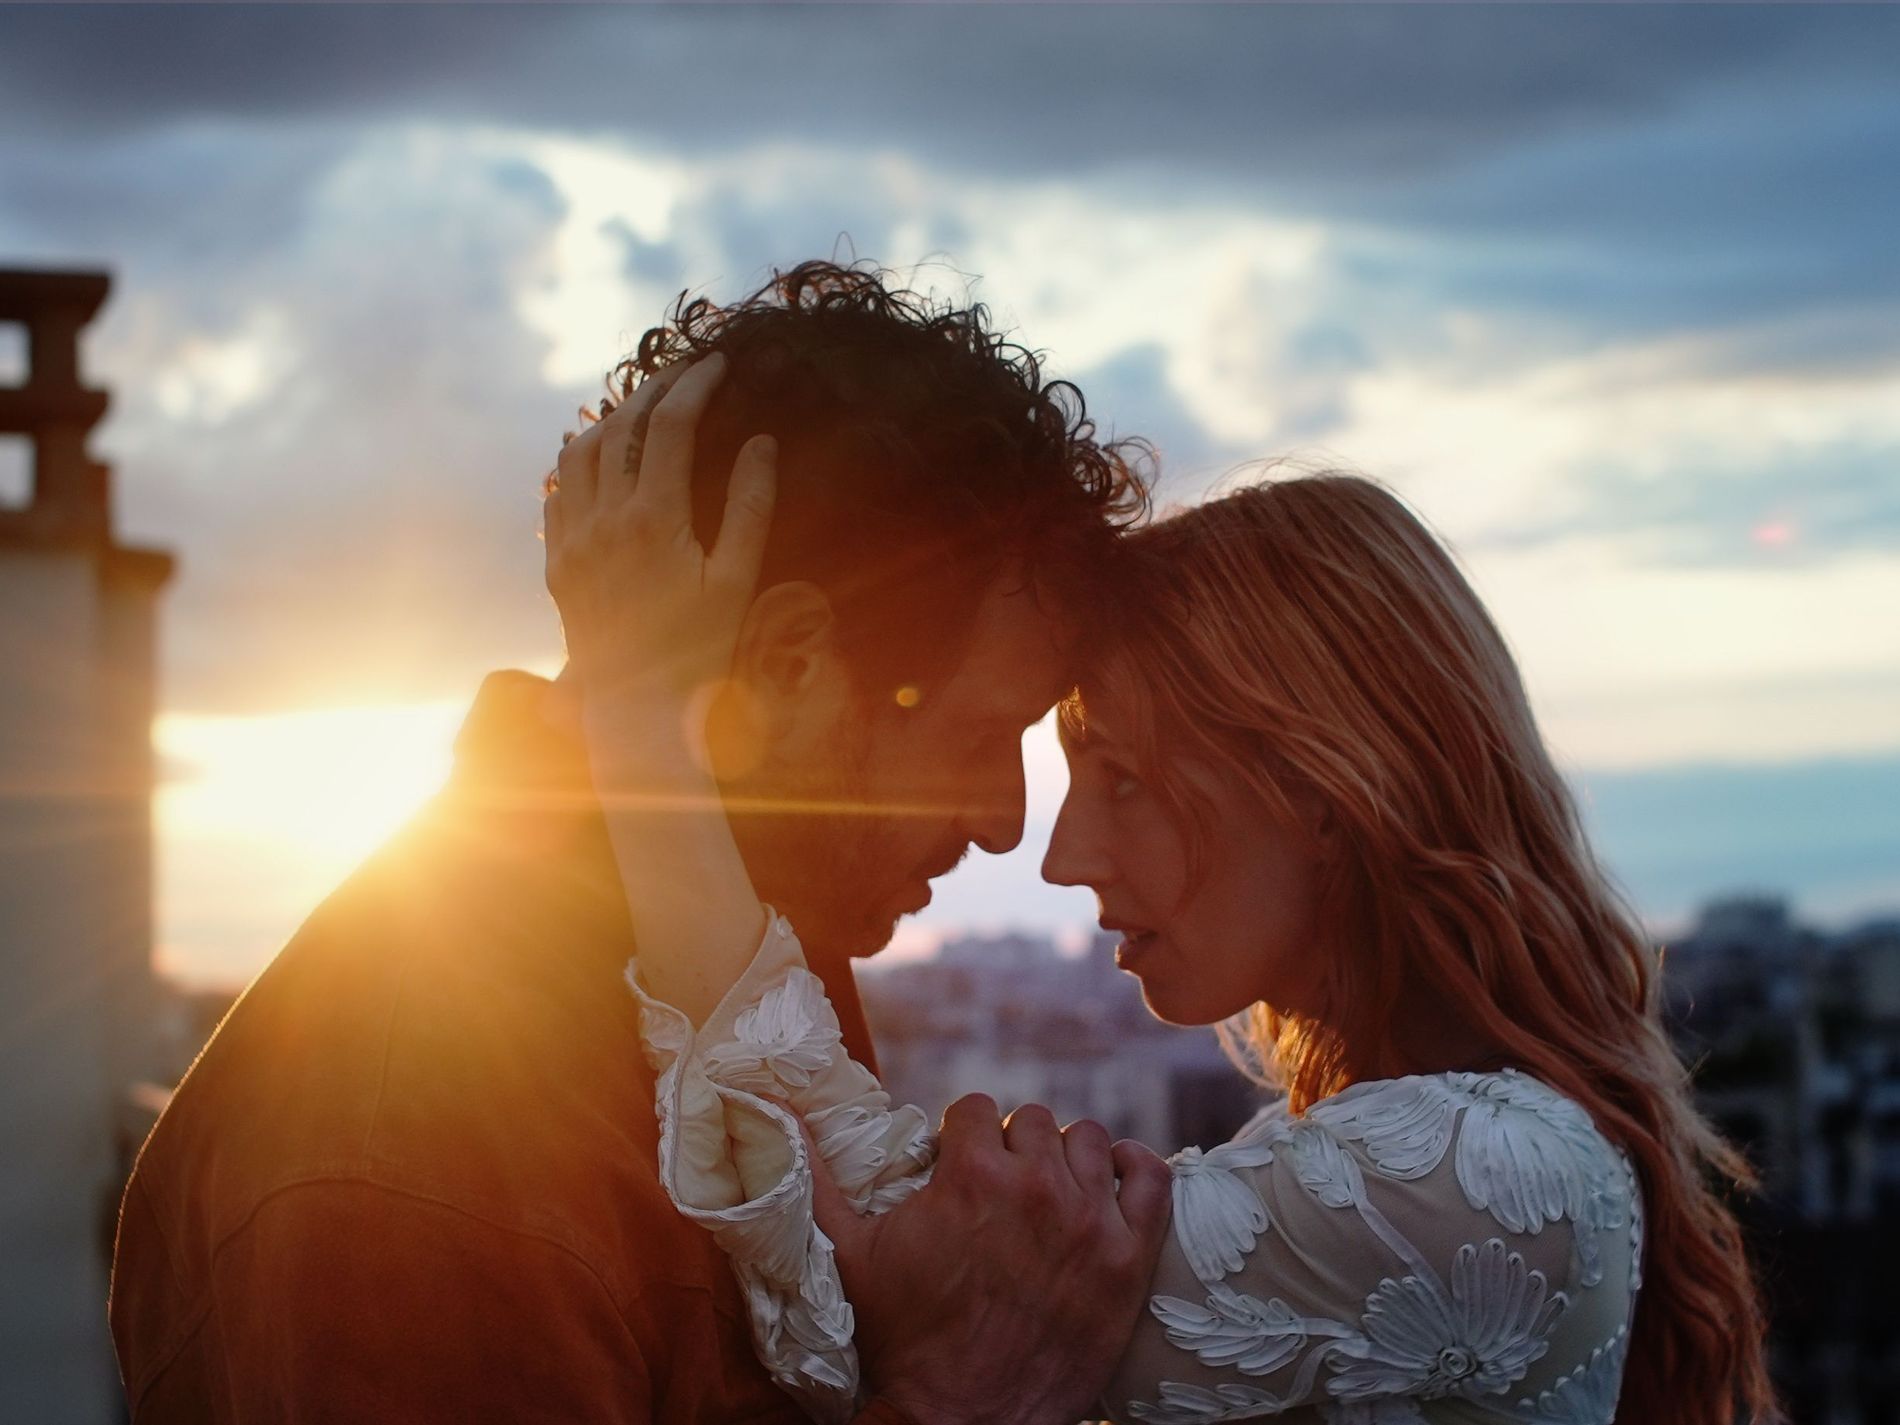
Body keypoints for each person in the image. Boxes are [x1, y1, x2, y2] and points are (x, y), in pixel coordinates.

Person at [545, 369, 1781, 1424]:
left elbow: (871, 1244)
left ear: (1320, 787)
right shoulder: (1418, 1156)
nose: (1059, 855)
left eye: (1123, 780)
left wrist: (644, 727)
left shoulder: (1481, 1177)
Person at [106, 262, 1172, 1424]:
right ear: (790, 665)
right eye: (978, 736)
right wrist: (969, 1397)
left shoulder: (725, 966)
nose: (1006, 822)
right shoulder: (432, 1143)